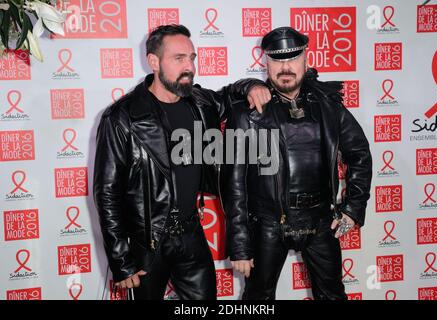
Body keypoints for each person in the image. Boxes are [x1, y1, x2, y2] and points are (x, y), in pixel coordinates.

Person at [93, 24, 270, 300]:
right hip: (147, 242)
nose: (189, 66)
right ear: (154, 62)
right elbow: (106, 193)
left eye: (192, 58)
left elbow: (230, 94)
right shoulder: (122, 118)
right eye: (179, 58)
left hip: (191, 233)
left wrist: (253, 85)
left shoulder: (200, 103)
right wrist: (120, 260)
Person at [221, 26, 372, 300]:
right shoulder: (246, 113)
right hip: (267, 224)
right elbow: (234, 184)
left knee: (333, 295)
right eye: (277, 59)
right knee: (257, 298)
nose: (285, 67)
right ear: (265, 62)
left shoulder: (328, 105)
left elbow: (360, 153)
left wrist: (353, 208)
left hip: (319, 221)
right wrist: (240, 244)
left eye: (292, 58)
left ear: (307, 59)